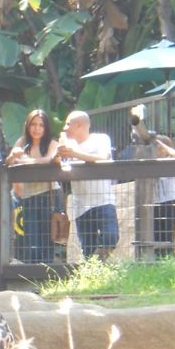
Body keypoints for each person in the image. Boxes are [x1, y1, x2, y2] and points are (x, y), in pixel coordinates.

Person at [54, 110, 118, 260]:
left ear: (79, 125)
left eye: (68, 124)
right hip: (81, 206)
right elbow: (59, 164)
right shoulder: (67, 144)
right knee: (88, 250)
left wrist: (75, 154)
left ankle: (95, 266)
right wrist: (58, 152)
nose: (65, 128)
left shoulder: (100, 139)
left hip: (104, 201)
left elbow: (104, 157)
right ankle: (94, 269)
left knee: (111, 237)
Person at [6, 109, 61, 262]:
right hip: (28, 196)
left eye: (41, 125)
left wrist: (23, 161)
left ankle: (46, 273)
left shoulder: (52, 143)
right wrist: (14, 156)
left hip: (49, 195)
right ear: (28, 126)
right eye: (33, 124)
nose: (37, 129)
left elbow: (49, 159)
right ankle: (32, 272)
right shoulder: (21, 142)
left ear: (46, 127)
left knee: (47, 240)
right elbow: (8, 162)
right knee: (31, 241)